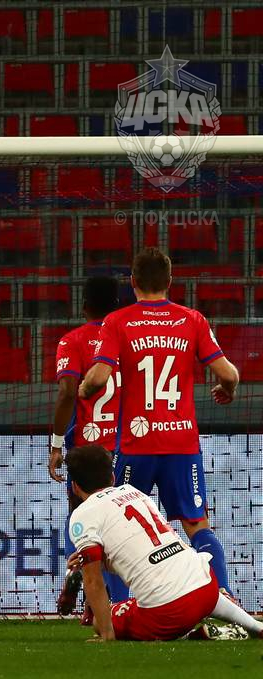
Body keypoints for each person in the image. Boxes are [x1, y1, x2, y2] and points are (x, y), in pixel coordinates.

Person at [80, 247, 241, 597]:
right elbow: (228, 374)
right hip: (181, 443)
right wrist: (227, 390)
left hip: (137, 445)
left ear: (133, 282)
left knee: (118, 528)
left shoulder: (117, 321)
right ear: (170, 281)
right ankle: (222, 598)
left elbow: (99, 377)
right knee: (196, 524)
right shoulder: (192, 320)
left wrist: (84, 388)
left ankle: (121, 608)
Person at [64, 444, 262, 641]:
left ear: (75, 486)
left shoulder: (82, 515)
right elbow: (137, 552)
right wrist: (102, 562)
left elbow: (93, 581)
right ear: (113, 478)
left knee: (100, 621)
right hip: (207, 586)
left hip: (166, 611)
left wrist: (107, 635)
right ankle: (255, 626)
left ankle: (194, 636)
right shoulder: (133, 492)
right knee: (190, 581)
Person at [48, 275, 127, 613]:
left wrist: (56, 445)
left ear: (84, 307)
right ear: (117, 306)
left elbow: (67, 392)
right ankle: (114, 602)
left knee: (79, 519)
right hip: (123, 447)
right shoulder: (128, 339)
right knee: (119, 526)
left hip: (85, 448)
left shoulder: (72, 341)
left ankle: (76, 575)